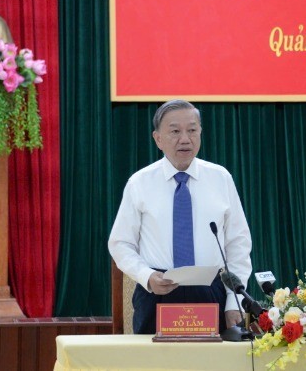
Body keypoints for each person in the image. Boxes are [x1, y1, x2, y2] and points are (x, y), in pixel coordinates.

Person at [108, 99, 253, 334]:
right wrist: (147, 276)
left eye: (192, 130)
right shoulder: (140, 182)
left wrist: (232, 301)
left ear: (200, 133)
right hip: (158, 291)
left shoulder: (220, 178)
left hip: (210, 291)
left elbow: (238, 243)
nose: (185, 139)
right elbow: (120, 244)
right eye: (175, 131)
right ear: (157, 138)